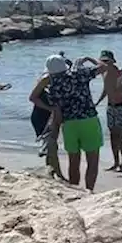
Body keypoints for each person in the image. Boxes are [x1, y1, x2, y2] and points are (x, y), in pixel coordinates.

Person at [31, 53, 105, 190]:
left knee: (74, 161)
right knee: (92, 161)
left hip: (69, 123)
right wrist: (88, 59)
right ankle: (89, 190)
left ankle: (75, 189)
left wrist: (50, 110)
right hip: (88, 119)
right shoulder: (79, 74)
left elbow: (34, 98)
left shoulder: (52, 85)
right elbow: (103, 67)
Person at [95, 49, 122, 172]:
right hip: (111, 106)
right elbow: (106, 89)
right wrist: (98, 102)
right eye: (102, 61)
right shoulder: (103, 73)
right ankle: (116, 162)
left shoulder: (121, 71)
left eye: (106, 61)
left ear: (112, 61)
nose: (104, 63)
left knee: (120, 135)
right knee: (112, 135)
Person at [29, 53, 67, 179]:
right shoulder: (45, 79)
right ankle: (58, 174)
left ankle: (50, 172)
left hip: (53, 116)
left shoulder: (61, 79)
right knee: (51, 146)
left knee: (52, 146)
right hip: (41, 116)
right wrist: (50, 109)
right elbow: (32, 98)